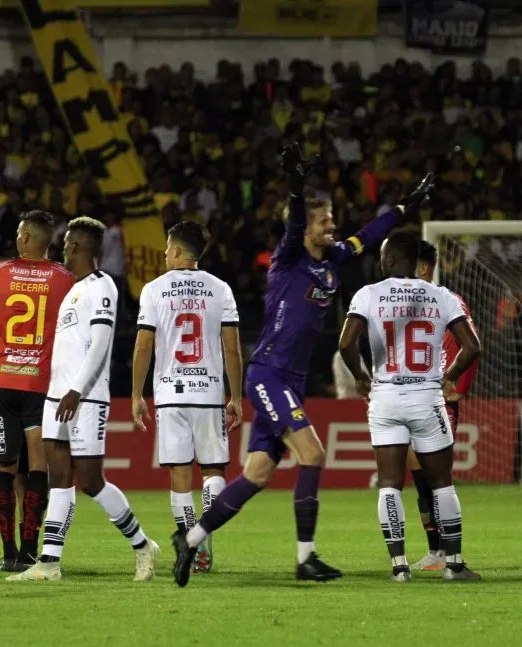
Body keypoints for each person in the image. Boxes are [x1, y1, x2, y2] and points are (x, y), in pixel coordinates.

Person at [170, 143, 432, 587]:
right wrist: (295, 186)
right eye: (324, 220)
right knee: (312, 453)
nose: (332, 226)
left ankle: (190, 539)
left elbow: (367, 235)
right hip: (269, 373)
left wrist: (404, 207)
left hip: (287, 379)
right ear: (307, 227)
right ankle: (305, 556)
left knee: (255, 475)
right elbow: (294, 220)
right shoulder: (290, 256)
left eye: (331, 218)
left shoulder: (332, 261)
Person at [9, 217, 158, 583]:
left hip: (85, 398)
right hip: (57, 397)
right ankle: (49, 564)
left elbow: (101, 343)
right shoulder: (72, 292)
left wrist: (77, 389)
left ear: (78, 246)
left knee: (91, 481)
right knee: (59, 479)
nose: (63, 247)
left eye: (67, 242)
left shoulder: (102, 286)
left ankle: (142, 546)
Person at [338, 231, 482, 582]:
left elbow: (346, 343)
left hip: (384, 397)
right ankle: (454, 564)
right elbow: (473, 347)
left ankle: (399, 566)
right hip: (426, 396)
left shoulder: (368, 294)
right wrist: (451, 375)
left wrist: (360, 376)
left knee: (389, 483)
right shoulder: (441, 295)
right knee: (442, 482)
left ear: (389, 259)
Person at [131, 220, 243, 573]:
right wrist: (235, 396)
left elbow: (144, 344)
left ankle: (189, 547)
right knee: (212, 471)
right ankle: (203, 543)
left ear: (178, 251)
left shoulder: (153, 290)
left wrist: (136, 393)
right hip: (209, 392)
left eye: (167, 247)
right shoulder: (220, 289)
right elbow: (232, 349)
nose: (164, 253)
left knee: (179, 473)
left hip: (170, 394)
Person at [0, 210, 74, 571]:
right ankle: (28, 551)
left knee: (5, 466)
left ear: (25, 238)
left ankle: (7, 554)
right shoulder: (64, 278)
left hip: (3, 380)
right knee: (38, 465)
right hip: (40, 383)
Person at [409, 239, 480, 572]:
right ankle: (435, 550)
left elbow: (472, 346)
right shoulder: (398, 304)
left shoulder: (450, 301)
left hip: (439, 403)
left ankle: (452, 552)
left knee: (437, 475)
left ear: (423, 267)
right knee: (419, 477)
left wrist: (456, 386)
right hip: (408, 401)